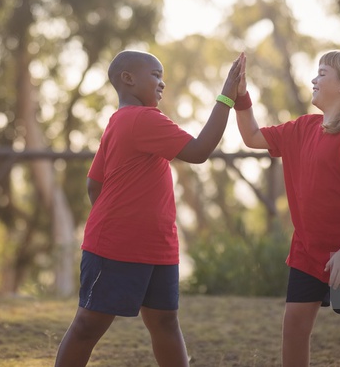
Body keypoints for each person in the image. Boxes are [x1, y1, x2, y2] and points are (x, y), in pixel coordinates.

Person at [54, 50, 244, 367]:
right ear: (128, 79)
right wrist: (226, 97)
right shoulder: (142, 119)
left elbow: (93, 185)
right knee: (88, 325)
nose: (162, 82)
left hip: (158, 247)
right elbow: (198, 151)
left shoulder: (118, 121)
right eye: (155, 74)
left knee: (165, 322)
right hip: (117, 246)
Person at [235, 50, 340, 367]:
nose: (314, 78)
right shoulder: (301, 128)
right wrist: (241, 96)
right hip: (308, 252)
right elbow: (252, 136)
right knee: (294, 328)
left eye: (322, 73)